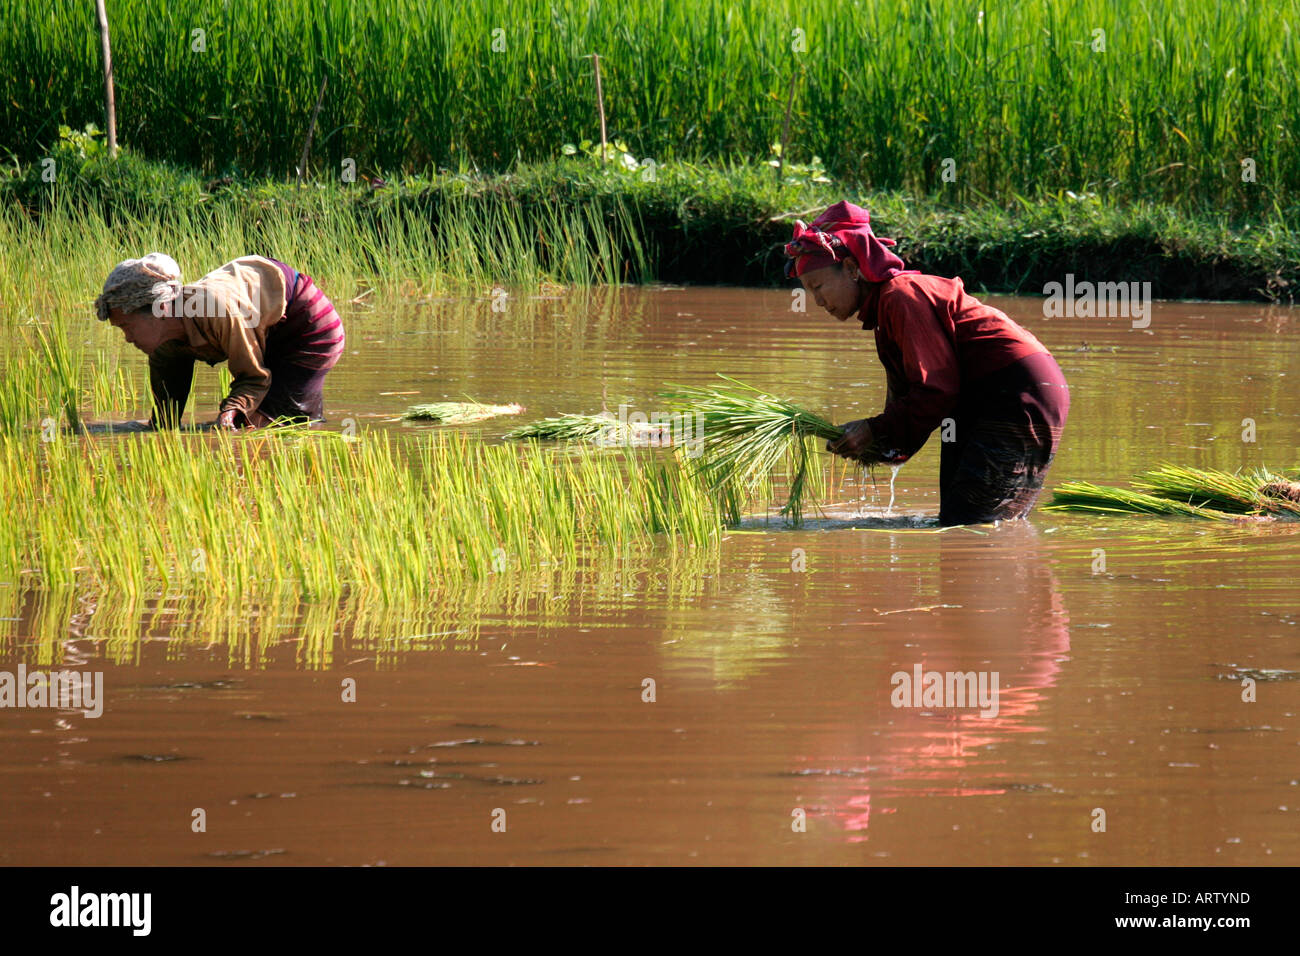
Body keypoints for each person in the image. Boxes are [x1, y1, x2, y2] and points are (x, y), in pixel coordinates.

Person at [785, 201, 1069, 525]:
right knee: (970, 520)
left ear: (852, 268)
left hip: (1015, 393)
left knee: (970, 521)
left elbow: (937, 390)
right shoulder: (885, 314)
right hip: (995, 398)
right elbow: (913, 402)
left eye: (818, 287)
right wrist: (874, 445)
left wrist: (873, 430)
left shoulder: (900, 296)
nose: (818, 300)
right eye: (809, 292)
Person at [92, 253, 345, 430]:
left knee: (270, 425)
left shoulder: (216, 309)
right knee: (263, 420)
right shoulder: (165, 344)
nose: (127, 338)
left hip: (307, 327)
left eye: (127, 326)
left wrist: (232, 412)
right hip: (264, 329)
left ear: (159, 311)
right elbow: (165, 420)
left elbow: (254, 377)